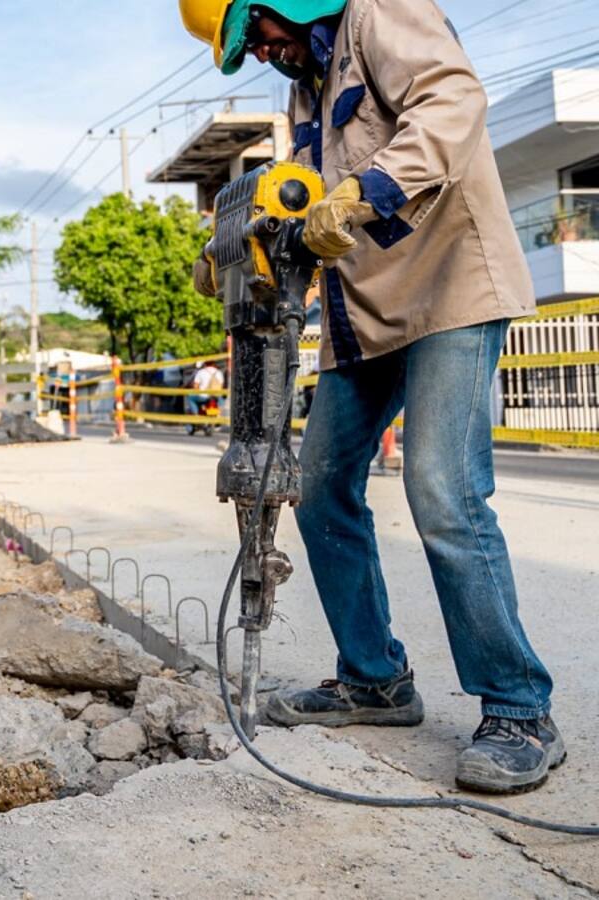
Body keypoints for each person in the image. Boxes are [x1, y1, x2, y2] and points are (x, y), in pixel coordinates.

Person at [180, 0, 561, 794]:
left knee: (442, 490)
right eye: (247, 47)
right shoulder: (307, 88)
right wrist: (240, 241)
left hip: (454, 290)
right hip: (369, 317)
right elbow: (306, 201)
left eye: (257, 34)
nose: (260, 53)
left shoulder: (381, 14)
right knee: (317, 491)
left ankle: (520, 710)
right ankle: (375, 680)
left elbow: (452, 102)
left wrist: (364, 193)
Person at [185, 359, 225, 435]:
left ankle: (196, 415)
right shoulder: (219, 372)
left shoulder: (201, 372)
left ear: (205, 363)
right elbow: (221, 385)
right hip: (216, 397)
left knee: (190, 397)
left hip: (204, 396)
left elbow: (195, 386)